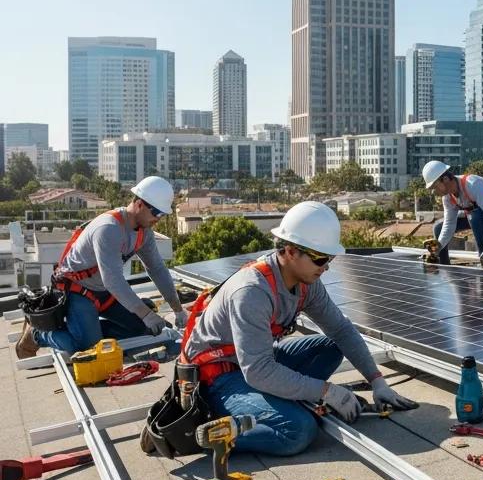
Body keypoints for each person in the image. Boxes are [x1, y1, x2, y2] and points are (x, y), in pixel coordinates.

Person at [171, 201, 417, 456]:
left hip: (254, 360)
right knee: (299, 431)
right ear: (290, 251)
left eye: (329, 258)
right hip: (218, 378)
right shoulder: (252, 292)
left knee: (332, 346)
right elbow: (257, 372)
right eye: (320, 258)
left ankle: (283, 399)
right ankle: (202, 434)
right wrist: (327, 391)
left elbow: (341, 329)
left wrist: (377, 381)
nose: (326, 266)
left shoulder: (307, 282)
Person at [17, 176, 186, 358]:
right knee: (88, 351)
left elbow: (157, 269)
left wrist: (178, 308)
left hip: (104, 292)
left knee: (143, 329)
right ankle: (38, 333)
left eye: (162, 214)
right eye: (156, 213)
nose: (158, 219)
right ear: (139, 204)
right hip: (77, 290)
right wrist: (145, 314)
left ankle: (89, 331)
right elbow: (113, 280)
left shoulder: (144, 233)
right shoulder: (109, 228)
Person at [422, 161, 483, 267]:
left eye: (435, 186)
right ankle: (444, 266)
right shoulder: (447, 197)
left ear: (445, 179)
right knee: (438, 228)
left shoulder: (472, 185)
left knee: (475, 217)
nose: (434, 191)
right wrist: (438, 247)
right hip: (472, 215)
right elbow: (449, 223)